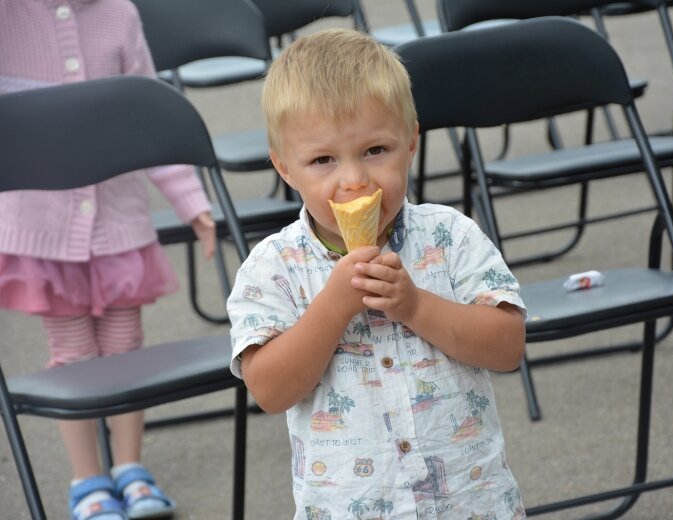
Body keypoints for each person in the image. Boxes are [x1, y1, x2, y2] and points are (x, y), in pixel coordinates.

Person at [227, 28, 528, 519]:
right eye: (323, 160)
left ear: (410, 142)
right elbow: (270, 390)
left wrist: (416, 305)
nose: (354, 179)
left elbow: (507, 346)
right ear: (285, 168)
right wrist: (333, 305)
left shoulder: (450, 237)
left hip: (470, 503)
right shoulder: (272, 267)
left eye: (375, 151)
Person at [0, 1, 216, 519]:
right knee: (73, 354)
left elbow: (148, 113)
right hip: (44, 227)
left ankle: (129, 468)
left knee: (126, 348)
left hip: (118, 219)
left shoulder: (119, 14)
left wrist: (193, 204)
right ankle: (87, 480)